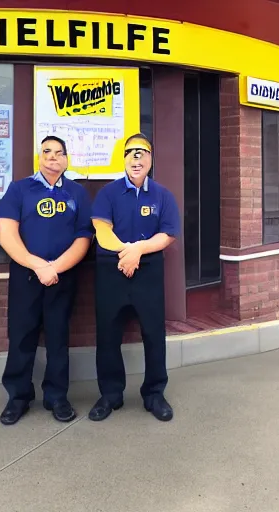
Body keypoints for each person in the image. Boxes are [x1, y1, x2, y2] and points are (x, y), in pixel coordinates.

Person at [0, 135, 93, 426]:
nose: (53, 156)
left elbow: (84, 237)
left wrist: (56, 268)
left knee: (58, 338)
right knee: (22, 337)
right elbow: (7, 235)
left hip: (62, 278)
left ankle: (57, 397)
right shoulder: (19, 189)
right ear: (39, 156)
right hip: (26, 275)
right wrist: (38, 265)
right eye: (47, 151)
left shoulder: (77, 193)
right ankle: (18, 398)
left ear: (66, 159)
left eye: (59, 152)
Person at [89, 133, 181, 422]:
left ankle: (154, 394)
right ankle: (110, 395)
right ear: (124, 159)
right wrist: (128, 254)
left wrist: (138, 250)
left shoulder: (163, 195)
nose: (136, 158)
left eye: (142, 152)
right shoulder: (108, 193)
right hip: (112, 272)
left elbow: (168, 234)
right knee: (107, 335)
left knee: (154, 335)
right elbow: (101, 230)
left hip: (148, 273)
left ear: (151, 158)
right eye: (130, 153)